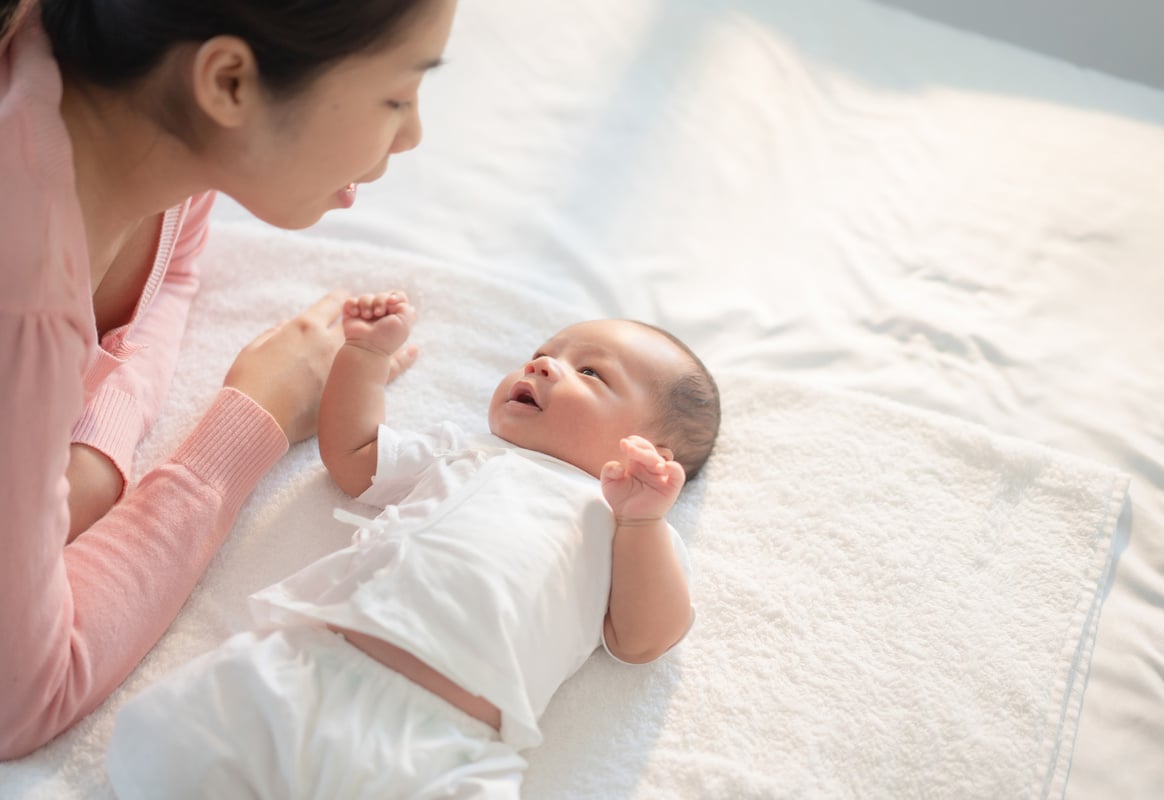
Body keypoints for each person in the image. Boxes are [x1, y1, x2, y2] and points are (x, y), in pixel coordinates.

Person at [0, 0, 458, 759]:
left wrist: (88, 463)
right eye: (397, 96)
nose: (412, 136)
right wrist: (253, 416)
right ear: (231, 82)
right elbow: (18, 698)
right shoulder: (25, 293)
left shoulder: (130, 107)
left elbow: (167, 273)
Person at [105, 294, 722, 799]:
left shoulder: (632, 526)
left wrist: (641, 522)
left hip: (443, 742)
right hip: (306, 668)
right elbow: (354, 458)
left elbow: (643, 641)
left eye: (589, 372)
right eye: (540, 355)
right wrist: (364, 358)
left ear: (649, 455)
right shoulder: (467, 450)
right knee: (172, 742)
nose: (539, 366)